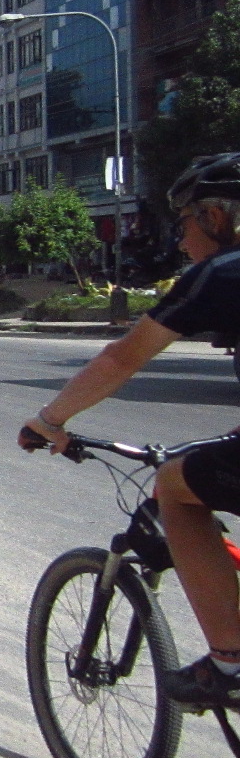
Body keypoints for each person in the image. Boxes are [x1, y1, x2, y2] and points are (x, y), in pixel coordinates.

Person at [21, 154, 240, 709]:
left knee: (173, 486)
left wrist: (50, 421)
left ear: (215, 217)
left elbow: (122, 359)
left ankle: (229, 664)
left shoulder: (221, 273)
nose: (182, 240)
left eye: (185, 223)